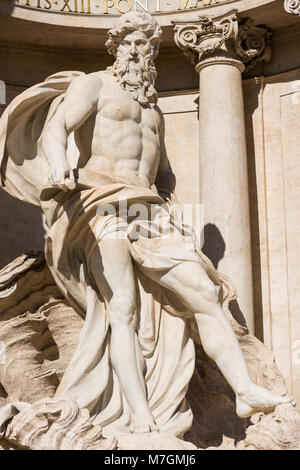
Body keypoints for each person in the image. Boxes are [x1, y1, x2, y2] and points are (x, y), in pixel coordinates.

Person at [0, 12, 293, 436]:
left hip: (148, 211)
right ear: (116, 48)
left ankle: (245, 389)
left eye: (149, 46)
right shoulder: (94, 84)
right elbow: (56, 128)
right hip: (103, 203)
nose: (141, 52)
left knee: (206, 294)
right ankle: (140, 417)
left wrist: (171, 204)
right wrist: (61, 163)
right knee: (124, 310)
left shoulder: (153, 110)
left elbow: (165, 172)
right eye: (132, 43)